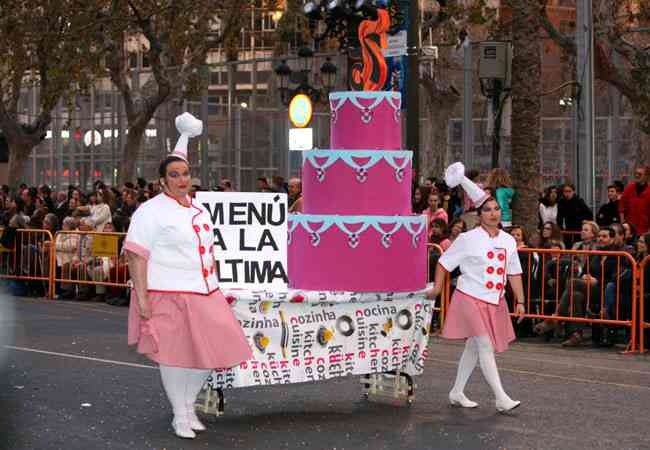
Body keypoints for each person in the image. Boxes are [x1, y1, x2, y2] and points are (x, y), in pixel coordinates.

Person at [123, 113, 251, 439]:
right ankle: (181, 414)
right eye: (174, 175)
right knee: (174, 357)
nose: (182, 179)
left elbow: (209, 250)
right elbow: (136, 256)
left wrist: (219, 281)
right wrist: (142, 300)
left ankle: (187, 405)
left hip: (205, 292)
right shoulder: (149, 212)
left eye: (185, 173)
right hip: (166, 292)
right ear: (162, 181)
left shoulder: (199, 209)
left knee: (212, 353)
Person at [426, 162, 525, 413]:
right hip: (469, 297)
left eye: (496, 209)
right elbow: (444, 263)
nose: (493, 213)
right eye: (487, 210)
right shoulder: (467, 239)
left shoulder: (508, 240)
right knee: (484, 345)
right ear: (479, 215)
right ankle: (501, 398)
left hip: (494, 299)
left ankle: (457, 391)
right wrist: (437, 289)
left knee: (473, 346)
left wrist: (521, 301)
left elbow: (514, 271)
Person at [619, 165, 650, 234]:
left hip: (644, 229)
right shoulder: (629, 189)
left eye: (639, 174)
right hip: (629, 229)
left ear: (646, 176)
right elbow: (621, 208)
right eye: (635, 173)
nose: (636, 175)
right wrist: (623, 225)